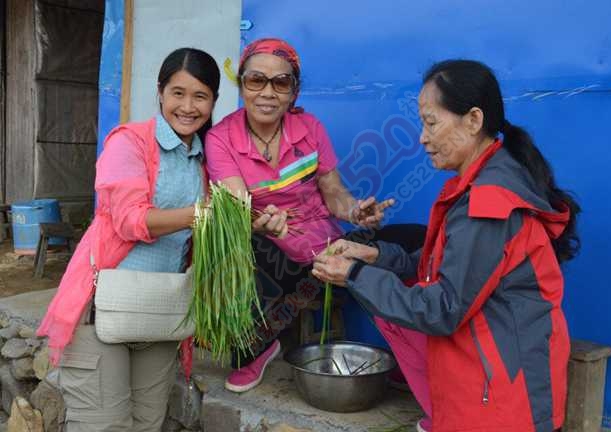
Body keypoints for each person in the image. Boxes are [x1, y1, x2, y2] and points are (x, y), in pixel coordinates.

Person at [312, 60, 580, 432]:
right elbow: (446, 263)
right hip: (491, 385)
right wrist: (377, 256)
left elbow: (443, 308)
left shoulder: (489, 204)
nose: (422, 137)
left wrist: (355, 275)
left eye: (431, 122)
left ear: (473, 120)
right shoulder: (484, 181)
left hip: (501, 402)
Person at [204, 37, 426, 393]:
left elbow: (334, 193)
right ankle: (254, 348)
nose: (267, 93)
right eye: (256, 80)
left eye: (281, 83)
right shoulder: (221, 139)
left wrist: (355, 211)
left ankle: (418, 361)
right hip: (276, 258)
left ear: (294, 91)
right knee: (244, 243)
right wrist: (261, 224)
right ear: (242, 84)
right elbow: (235, 206)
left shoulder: (309, 130)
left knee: (421, 237)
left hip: (331, 250)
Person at [36, 48, 220, 431]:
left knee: (147, 423)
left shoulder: (206, 159)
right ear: (160, 92)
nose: (188, 106)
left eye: (200, 96)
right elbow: (129, 219)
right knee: (102, 426)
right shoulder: (131, 142)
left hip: (161, 311)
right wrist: (200, 216)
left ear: (214, 101)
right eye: (178, 93)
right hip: (102, 308)